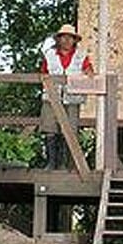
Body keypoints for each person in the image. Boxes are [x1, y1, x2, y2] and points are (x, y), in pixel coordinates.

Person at [39, 24, 95, 169]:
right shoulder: (49, 55)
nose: (66, 40)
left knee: (69, 129)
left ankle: (64, 164)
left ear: (74, 40)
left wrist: (88, 73)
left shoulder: (81, 55)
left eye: (70, 37)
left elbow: (89, 71)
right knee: (50, 128)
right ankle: (51, 163)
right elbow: (43, 74)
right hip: (51, 97)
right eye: (63, 37)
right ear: (59, 39)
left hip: (72, 98)